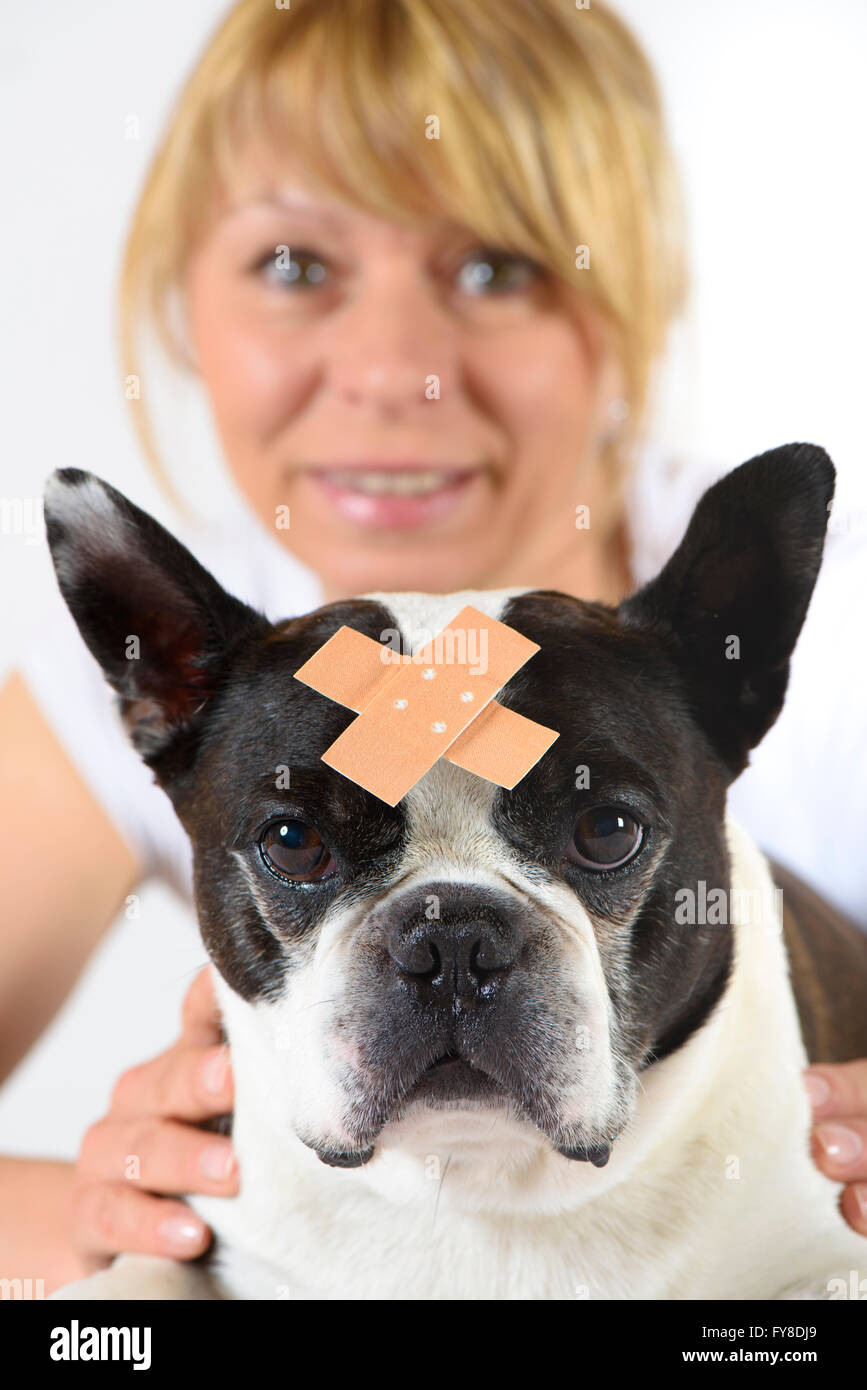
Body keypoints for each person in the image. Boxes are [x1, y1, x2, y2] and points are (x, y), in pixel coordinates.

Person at [1, 0, 865, 1294]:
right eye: (297, 264)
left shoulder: (835, 631)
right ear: (180, 301)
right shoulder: (184, 664)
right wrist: (122, 1223)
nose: (395, 366)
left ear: (632, 295)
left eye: (495, 266)